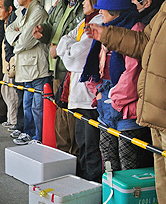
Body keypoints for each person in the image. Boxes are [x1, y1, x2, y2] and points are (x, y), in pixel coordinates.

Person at [86, 0, 166, 204]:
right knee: (163, 173)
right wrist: (107, 34)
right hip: (156, 111)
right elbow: (143, 45)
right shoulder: (164, 12)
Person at [81, 0, 152, 172]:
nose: (101, 13)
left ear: (115, 10)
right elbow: (96, 63)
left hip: (127, 107)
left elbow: (134, 72)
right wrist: (98, 90)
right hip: (106, 100)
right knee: (108, 157)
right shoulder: (105, 28)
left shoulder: (136, 28)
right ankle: (110, 196)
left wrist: (115, 98)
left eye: (103, 9)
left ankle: (126, 198)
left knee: (128, 162)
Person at [56, 0, 103, 182]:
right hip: (76, 93)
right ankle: (84, 179)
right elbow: (63, 39)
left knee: (91, 145)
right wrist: (68, 45)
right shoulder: (84, 22)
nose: (83, 2)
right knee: (81, 141)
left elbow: (73, 58)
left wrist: (67, 47)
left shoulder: (98, 22)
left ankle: (92, 183)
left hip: (88, 96)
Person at [32, 0, 85, 157]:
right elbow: (49, 26)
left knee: (70, 117)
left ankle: (73, 157)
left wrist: (60, 50)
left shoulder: (83, 7)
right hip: (56, 68)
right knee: (61, 116)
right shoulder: (60, 5)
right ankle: (63, 154)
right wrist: (43, 32)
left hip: (70, 70)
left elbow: (80, 40)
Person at [5, 0, 50, 144]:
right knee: (27, 105)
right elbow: (9, 30)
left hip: (37, 67)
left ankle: (39, 137)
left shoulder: (37, 12)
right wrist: (20, 38)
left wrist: (17, 43)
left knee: (38, 108)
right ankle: (29, 133)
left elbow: (26, 41)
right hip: (26, 66)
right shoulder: (23, 12)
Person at [0, 0, 20, 131]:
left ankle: (14, 121)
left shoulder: (14, 20)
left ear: (9, 9)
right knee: (5, 91)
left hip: (12, 63)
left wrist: (10, 58)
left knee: (12, 94)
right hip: (6, 63)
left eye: (0, 8)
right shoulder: (6, 22)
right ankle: (10, 119)